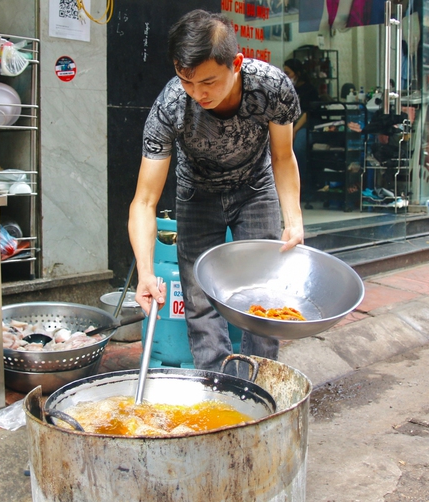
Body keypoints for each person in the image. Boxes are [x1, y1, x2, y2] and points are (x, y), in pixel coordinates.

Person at [128, 10, 304, 372]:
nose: (197, 93)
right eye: (187, 81)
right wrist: (145, 273)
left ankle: (258, 384)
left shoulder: (271, 87)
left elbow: (283, 157)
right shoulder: (171, 105)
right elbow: (144, 201)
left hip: (256, 187)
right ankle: (217, 385)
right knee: (198, 296)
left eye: (207, 82)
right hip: (197, 194)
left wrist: (294, 219)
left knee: (264, 290)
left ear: (236, 62)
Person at [283, 58, 319, 206]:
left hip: (306, 125)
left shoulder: (309, 90)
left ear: (297, 73)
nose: (286, 76)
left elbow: (307, 113)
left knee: (298, 148)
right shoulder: (288, 89)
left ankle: (302, 183)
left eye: (288, 73)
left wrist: (295, 130)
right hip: (290, 125)